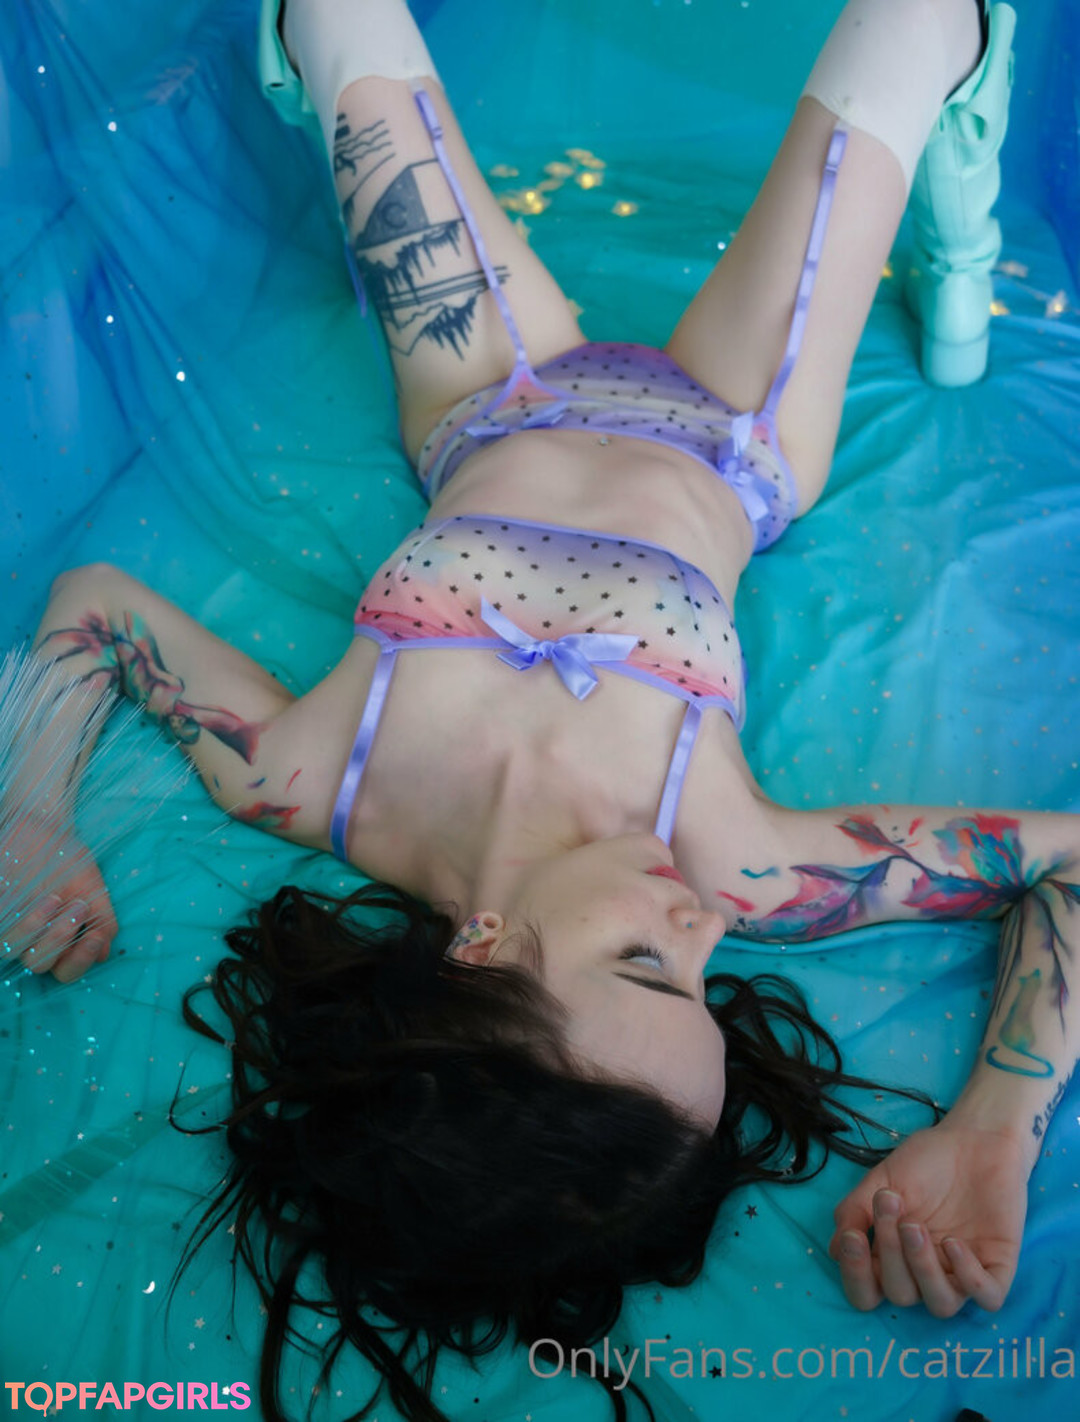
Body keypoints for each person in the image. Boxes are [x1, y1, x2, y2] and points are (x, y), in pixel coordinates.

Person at [7, 1, 1077, 1419]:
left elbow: (92, 602)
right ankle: (965, 140)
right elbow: (1067, 860)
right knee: (924, 12)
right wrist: (998, 1125)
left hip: (486, 395)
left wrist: (31, 808)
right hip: (734, 430)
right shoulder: (739, 864)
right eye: (706, 987)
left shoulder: (311, 777)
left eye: (646, 963)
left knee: (328, 10)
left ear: (485, 947)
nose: (702, 933)